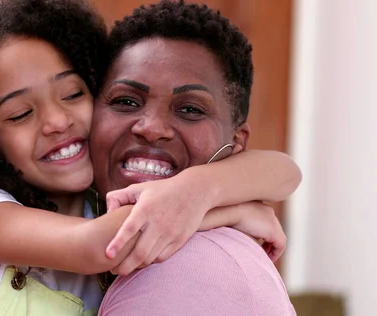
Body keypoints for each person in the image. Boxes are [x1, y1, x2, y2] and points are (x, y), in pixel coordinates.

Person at [0, 0, 300, 315]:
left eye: (74, 93)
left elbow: (284, 171)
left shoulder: (95, 205)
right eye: (20, 113)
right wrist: (232, 207)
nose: (57, 121)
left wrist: (201, 190)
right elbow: (98, 246)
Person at [92, 1, 298, 315]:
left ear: (236, 143)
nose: (152, 128)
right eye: (126, 101)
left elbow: (288, 172)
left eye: (190, 109)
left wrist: (202, 193)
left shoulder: (188, 271)